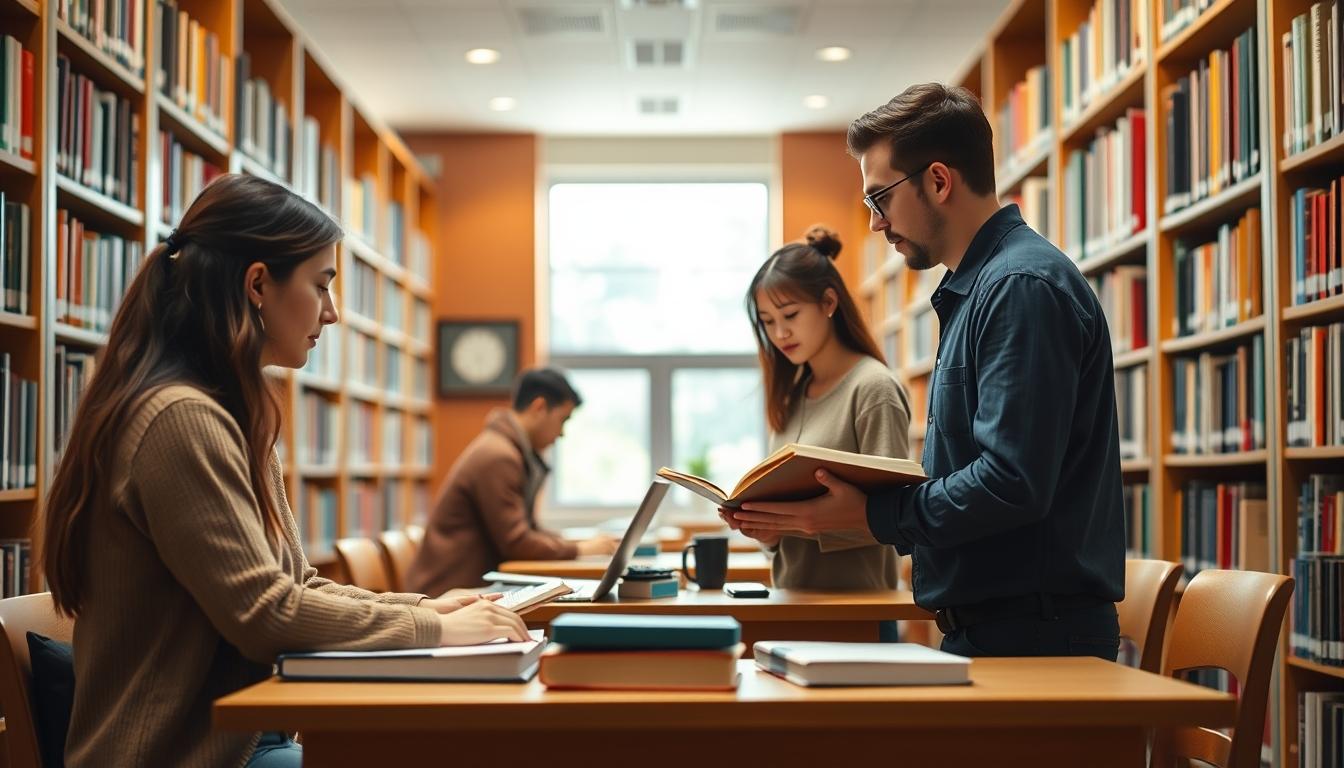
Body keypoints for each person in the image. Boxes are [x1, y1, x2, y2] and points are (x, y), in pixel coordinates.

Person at [41, 174, 530, 768]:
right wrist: (435, 633)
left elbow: (297, 584)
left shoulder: (229, 414)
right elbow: (265, 615)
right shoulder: (180, 419)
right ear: (257, 285)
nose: (334, 313)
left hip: (247, 739)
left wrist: (422, 610)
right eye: (321, 285)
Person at [729, 83, 1126, 660]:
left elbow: (1010, 481)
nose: (874, 224)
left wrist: (873, 514)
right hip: (996, 627)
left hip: (1033, 633)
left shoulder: (1019, 288)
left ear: (938, 181)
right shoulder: (980, 290)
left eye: (879, 199)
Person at [726, 225, 911, 608]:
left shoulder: (873, 388)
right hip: (790, 606)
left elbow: (900, 520)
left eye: (790, 314)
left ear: (829, 303)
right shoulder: (793, 394)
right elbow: (786, 540)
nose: (780, 333)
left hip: (858, 613)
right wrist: (767, 531)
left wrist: (803, 521)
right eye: (767, 321)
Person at [405, 368, 617, 596]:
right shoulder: (500, 456)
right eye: (562, 420)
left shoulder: (506, 449)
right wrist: (578, 549)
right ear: (539, 407)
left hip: (467, 586)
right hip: (447, 593)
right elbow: (516, 542)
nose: (561, 433)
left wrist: (576, 544)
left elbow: (525, 532)